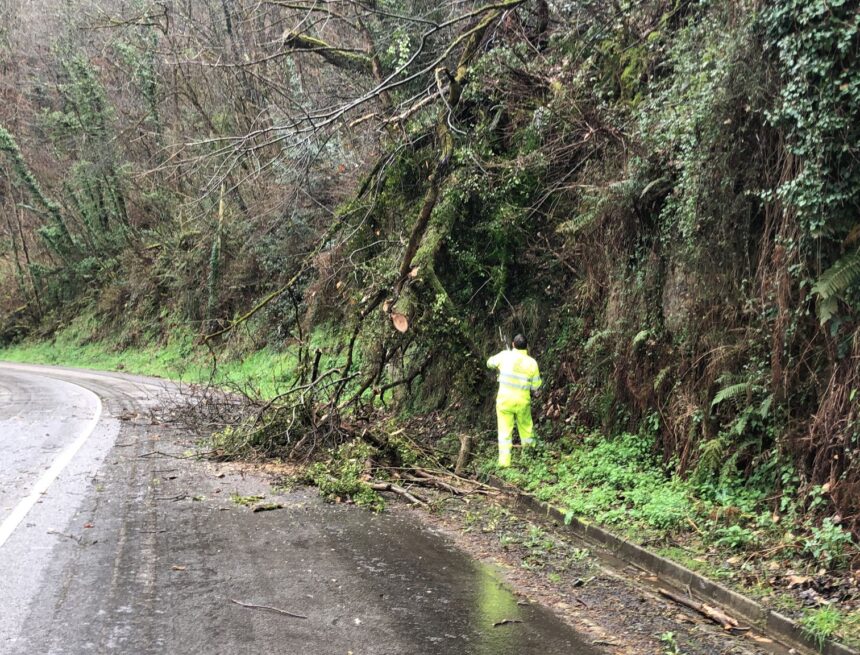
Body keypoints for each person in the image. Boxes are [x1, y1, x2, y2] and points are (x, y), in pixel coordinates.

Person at [486, 334, 542, 467]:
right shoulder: (532, 363)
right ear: (526, 347)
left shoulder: (504, 355)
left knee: (505, 432)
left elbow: (489, 363)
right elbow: (536, 386)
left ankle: (504, 464)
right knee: (526, 430)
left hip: (505, 401)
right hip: (522, 402)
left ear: (513, 344)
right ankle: (529, 460)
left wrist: (499, 366)